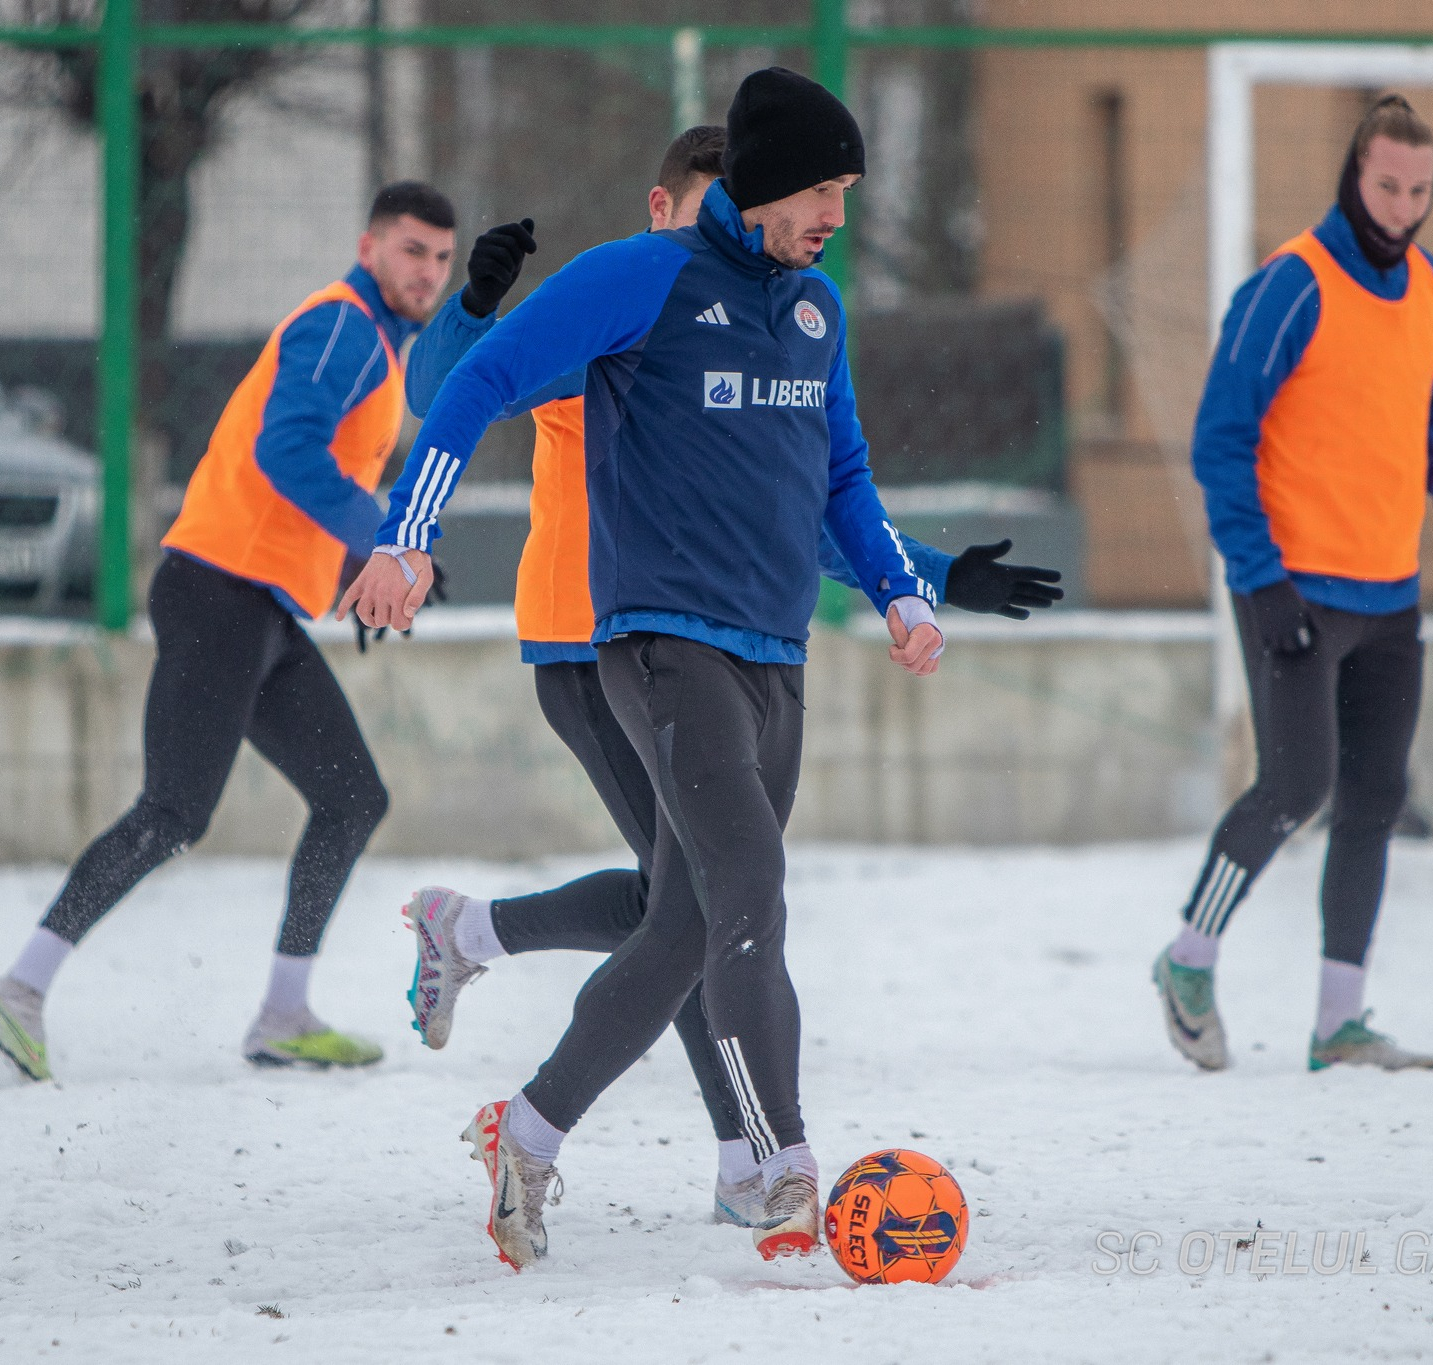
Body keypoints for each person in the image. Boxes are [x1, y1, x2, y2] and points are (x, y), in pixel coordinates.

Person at [393, 125, 1062, 1232]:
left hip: (742, 645)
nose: (819, 222)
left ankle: (493, 1002)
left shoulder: (782, 315)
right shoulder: (622, 309)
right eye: (811, 194)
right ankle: (759, 1159)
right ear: (670, 207)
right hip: (600, 642)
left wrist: (924, 579)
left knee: (687, 911)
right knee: (721, 893)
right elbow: (456, 385)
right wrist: (471, 304)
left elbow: (798, 497)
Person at [0, 182, 461, 1080]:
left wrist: (357, 567)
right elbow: (286, 449)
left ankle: (283, 1012)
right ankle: (20, 987)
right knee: (173, 810)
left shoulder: (381, 344)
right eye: (412, 250)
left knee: (351, 796)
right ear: (371, 245)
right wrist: (387, 540)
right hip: (219, 590)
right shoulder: (347, 325)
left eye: (440, 256)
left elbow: (312, 472)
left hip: (261, 604)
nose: (427, 270)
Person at [1152, 95, 1433, 1075]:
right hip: (1292, 590)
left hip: (1388, 595)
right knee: (1293, 784)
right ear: (1353, 179)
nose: (1401, 205)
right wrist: (1258, 580)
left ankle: (1337, 1023)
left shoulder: (1428, 288)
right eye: (1386, 184)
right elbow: (1218, 442)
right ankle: (1186, 959)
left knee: (1372, 798)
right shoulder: (1287, 287)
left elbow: (1429, 416)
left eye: (1419, 189)